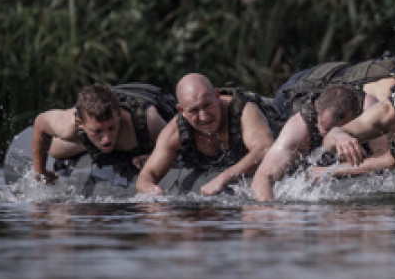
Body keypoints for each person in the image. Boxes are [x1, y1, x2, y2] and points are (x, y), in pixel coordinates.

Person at [137, 74, 278, 196]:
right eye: (194, 111)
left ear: (217, 96)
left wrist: (222, 179)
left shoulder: (244, 110)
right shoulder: (174, 131)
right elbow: (146, 176)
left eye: (207, 105)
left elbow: (264, 149)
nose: (204, 117)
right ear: (181, 111)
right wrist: (152, 190)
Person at [251, 84, 393, 200]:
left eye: (335, 129)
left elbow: (389, 159)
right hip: (289, 92)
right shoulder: (299, 125)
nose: (329, 134)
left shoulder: (368, 109)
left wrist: (329, 172)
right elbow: (262, 177)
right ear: (317, 107)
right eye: (325, 127)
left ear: (353, 119)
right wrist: (269, 212)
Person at [31, 83, 176, 183]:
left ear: (119, 115)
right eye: (97, 131)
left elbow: (178, 143)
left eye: (111, 128)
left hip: (145, 127)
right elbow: (40, 122)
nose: (106, 138)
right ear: (81, 124)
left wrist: (153, 156)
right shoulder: (66, 125)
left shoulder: (148, 122)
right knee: (55, 150)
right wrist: (40, 171)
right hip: (83, 139)